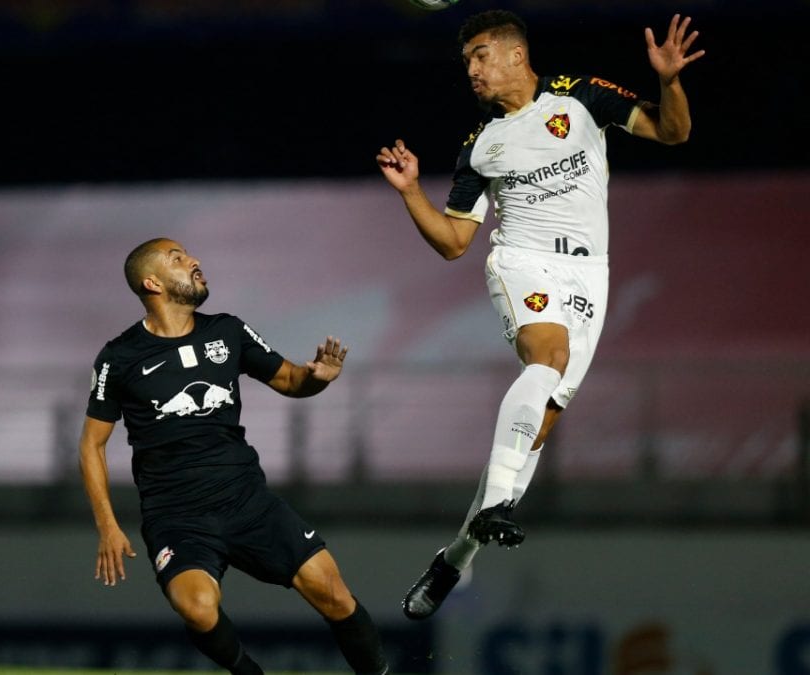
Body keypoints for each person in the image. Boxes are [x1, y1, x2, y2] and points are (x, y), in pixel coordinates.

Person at [375, 10, 703, 619]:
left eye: (479, 56)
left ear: (516, 56)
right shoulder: (481, 144)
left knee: (538, 428)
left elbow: (673, 133)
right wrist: (411, 191)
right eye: (467, 61)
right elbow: (453, 241)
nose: (470, 70)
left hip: (590, 275)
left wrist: (670, 81)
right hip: (520, 263)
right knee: (546, 357)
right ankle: (497, 504)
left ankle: (456, 557)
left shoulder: (582, 98)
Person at [78, 237, 390, 674]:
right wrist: (108, 526)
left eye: (188, 254)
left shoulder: (227, 330)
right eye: (178, 258)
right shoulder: (119, 356)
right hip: (177, 515)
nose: (194, 261)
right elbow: (91, 444)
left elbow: (289, 379)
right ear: (152, 282)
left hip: (248, 501)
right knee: (198, 609)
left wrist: (317, 377)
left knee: (334, 594)